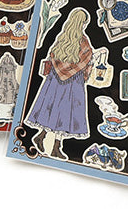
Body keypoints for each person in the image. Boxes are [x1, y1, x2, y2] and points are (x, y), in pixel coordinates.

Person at [25, 8, 93, 159]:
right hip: (73, 83)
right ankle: (55, 146)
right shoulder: (83, 41)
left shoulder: (62, 38)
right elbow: (87, 60)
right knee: (65, 113)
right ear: (82, 24)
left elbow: (53, 55)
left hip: (55, 79)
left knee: (50, 107)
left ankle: (41, 136)